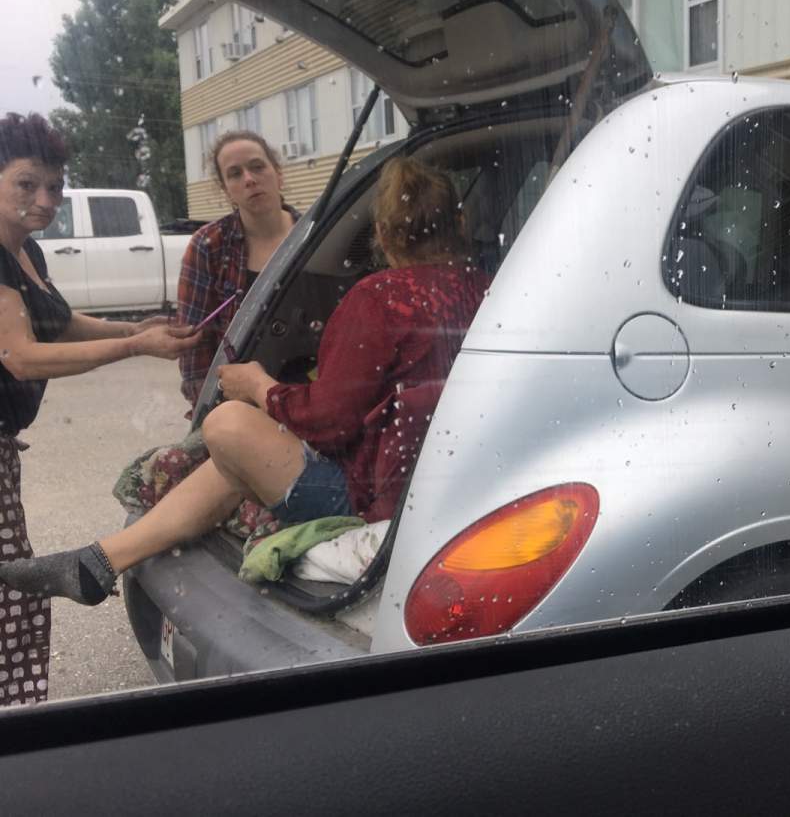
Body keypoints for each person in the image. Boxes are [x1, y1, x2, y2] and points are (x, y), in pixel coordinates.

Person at [0, 157, 489, 607]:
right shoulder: (488, 286)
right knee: (236, 459)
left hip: (378, 495)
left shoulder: (378, 298)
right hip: (448, 479)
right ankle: (98, 561)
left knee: (230, 425)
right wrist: (135, 332)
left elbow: (329, 423)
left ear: (381, 234)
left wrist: (260, 386)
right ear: (461, 224)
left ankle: (99, 561)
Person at [0, 112, 198, 705]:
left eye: (55, 186)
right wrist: (135, 346)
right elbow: (23, 358)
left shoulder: (24, 251)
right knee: (14, 591)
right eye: (26, 184)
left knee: (15, 589)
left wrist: (133, 326)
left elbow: (60, 325)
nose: (45, 199)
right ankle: (16, 723)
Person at [177, 130, 299, 408]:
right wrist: (214, 408)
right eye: (234, 174)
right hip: (237, 407)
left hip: (312, 398)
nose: (249, 179)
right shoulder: (208, 247)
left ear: (278, 173)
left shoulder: (316, 235)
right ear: (225, 190)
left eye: (257, 167)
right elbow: (194, 352)